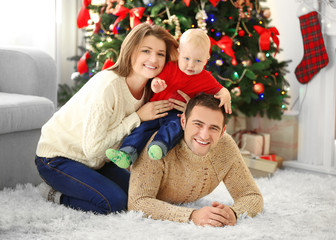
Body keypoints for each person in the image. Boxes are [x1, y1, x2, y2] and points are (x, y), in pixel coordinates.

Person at [34, 23, 182, 214]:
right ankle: (54, 194)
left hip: (98, 161)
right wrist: (137, 117)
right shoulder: (108, 87)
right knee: (115, 203)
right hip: (58, 158)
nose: (153, 59)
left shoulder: (152, 88)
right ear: (130, 51)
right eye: (146, 51)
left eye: (160, 54)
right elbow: (93, 150)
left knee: (139, 196)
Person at [128, 93, 263, 227]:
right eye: (198, 124)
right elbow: (138, 202)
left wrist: (233, 213)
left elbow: (251, 195)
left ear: (222, 131)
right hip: (121, 173)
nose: (204, 135)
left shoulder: (225, 147)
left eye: (214, 128)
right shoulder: (158, 146)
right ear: (183, 122)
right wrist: (192, 215)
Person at [106, 28, 232, 168]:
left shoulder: (206, 78)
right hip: (155, 109)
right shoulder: (170, 67)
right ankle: (127, 153)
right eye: (186, 59)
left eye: (198, 61)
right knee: (142, 129)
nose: (191, 65)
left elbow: (220, 89)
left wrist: (226, 94)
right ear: (179, 54)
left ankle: (160, 146)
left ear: (206, 60)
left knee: (175, 127)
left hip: (177, 114)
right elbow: (156, 81)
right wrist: (156, 86)